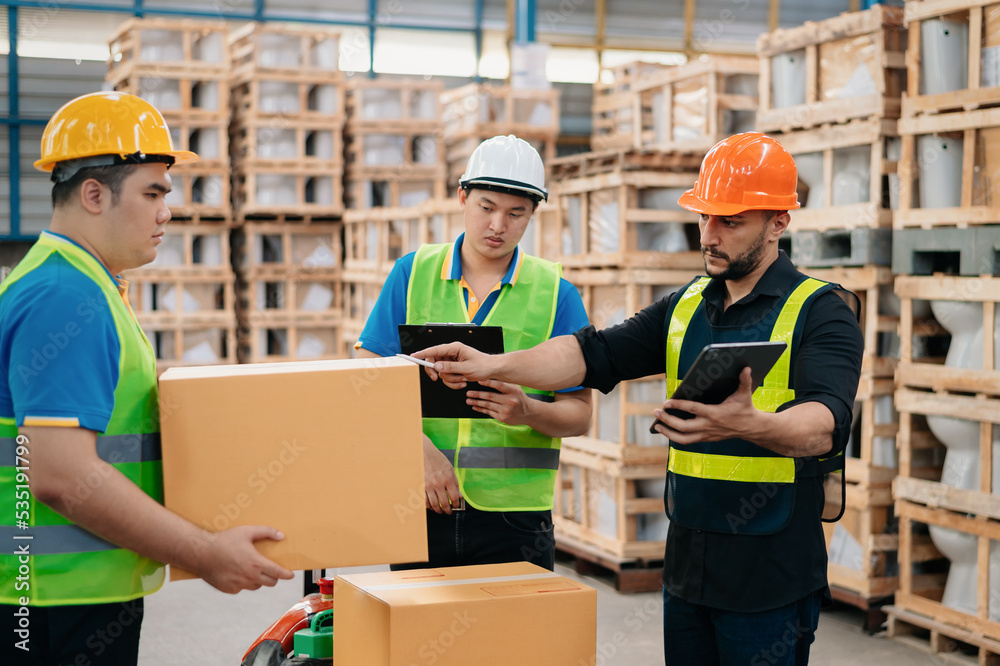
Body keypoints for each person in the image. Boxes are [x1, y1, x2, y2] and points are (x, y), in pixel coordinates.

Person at [414, 132, 865, 665]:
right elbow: (588, 354)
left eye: (731, 221)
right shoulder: (685, 305)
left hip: (769, 580)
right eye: (704, 218)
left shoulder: (822, 309)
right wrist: (492, 364)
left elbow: (824, 424)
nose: (710, 235)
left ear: (778, 223)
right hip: (687, 575)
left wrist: (748, 424)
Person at [0, 92, 294, 666]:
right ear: (93, 193)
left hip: (72, 592)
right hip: (53, 605)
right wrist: (204, 552)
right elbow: (60, 475)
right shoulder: (65, 297)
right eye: (152, 193)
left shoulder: (84, 284)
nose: (166, 211)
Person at [354, 135, 593, 571]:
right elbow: (368, 380)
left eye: (515, 213)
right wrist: (418, 451)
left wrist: (528, 412)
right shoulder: (413, 274)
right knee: (417, 637)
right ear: (462, 196)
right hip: (421, 503)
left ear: (534, 213)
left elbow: (579, 413)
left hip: (516, 520)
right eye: (486, 207)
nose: (498, 225)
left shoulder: (556, 294)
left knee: (515, 640)